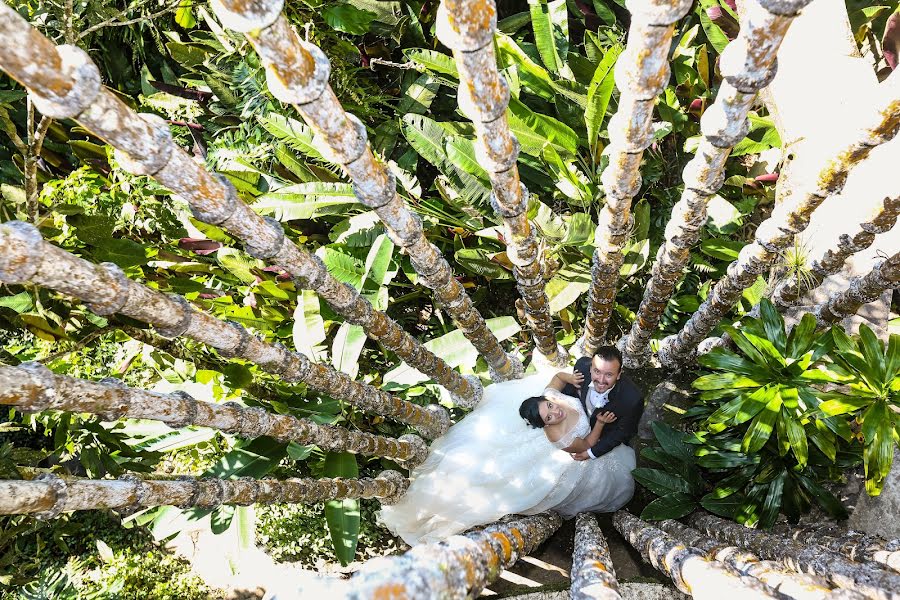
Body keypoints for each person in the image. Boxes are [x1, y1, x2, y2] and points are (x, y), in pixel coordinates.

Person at [378, 361, 637, 545]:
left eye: (550, 406)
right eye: (550, 416)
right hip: (578, 449)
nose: (555, 411)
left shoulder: (551, 396)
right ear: (546, 425)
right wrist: (600, 423)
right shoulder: (559, 437)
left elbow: (556, 380)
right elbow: (588, 444)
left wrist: (569, 378)